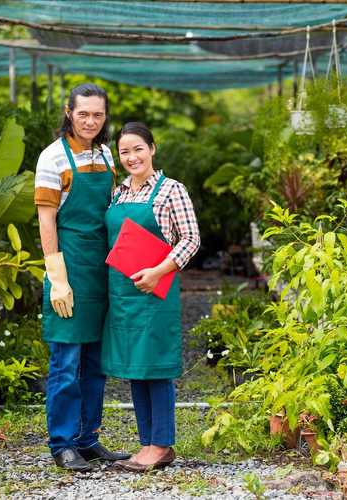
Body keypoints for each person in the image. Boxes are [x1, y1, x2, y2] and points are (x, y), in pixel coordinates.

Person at [35, 83, 130, 472]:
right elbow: (46, 219)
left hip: (100, 267)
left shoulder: (107, 154)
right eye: (83, 113)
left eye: (98, 114)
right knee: (65, 361)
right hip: (69, 265)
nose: (91, 121)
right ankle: (62, 443)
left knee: (95, 361)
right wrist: (57, 276)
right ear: (68, 112)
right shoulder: (52, 157)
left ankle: (88, 438)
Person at [102, 122, 200, 472]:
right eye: (124, 152)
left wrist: (159, 271)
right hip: (124, 294)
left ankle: (161, 444)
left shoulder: (172, 190)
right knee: (135, 368)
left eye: (138, 149)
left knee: (156, 367)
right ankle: (148, 443)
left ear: (152, 149)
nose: (131, 157)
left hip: (156, 291)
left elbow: (190, 240)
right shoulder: (119, 194)